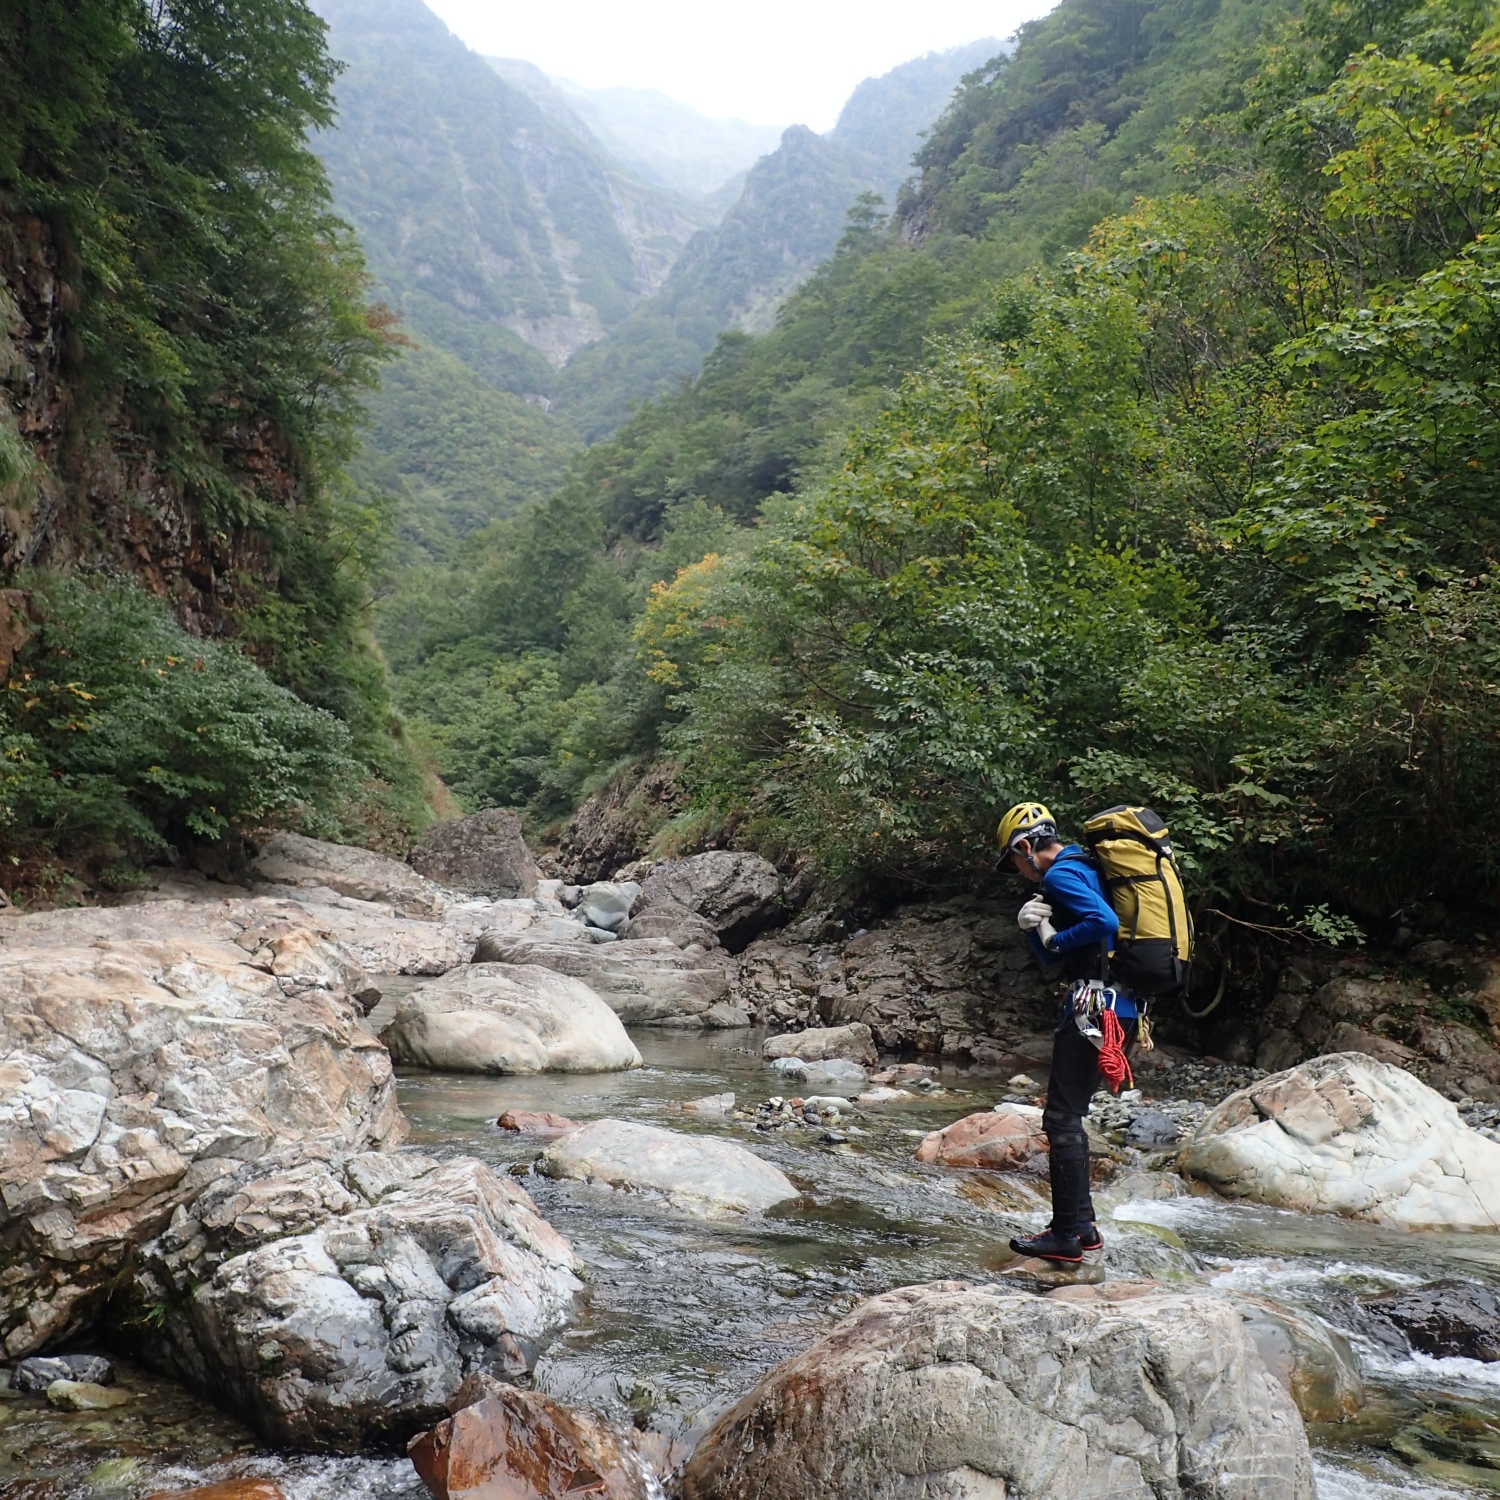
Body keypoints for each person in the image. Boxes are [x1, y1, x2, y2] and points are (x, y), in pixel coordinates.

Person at [994, 801, 1138, 1265]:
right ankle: (1085, 1228)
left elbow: (1105, 924)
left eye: (1014, 861)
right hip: (1119, 1004)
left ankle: (1066, 1236)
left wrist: (1054, 937)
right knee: (1068, 1114)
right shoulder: (1085, 866)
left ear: (1024, 845)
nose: (1018, 871)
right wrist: (1035, 931)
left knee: (1060, 1119)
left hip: (1095, 1007)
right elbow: (1058, 959)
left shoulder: (1059, 874)